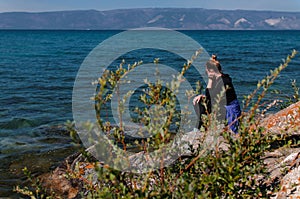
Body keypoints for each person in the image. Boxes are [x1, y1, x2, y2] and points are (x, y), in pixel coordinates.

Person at [193, 55, 241, 134]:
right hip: (222, 105)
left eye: (207, 72)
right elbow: (211, 95)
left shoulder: (224, 81)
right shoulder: (218, 78)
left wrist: (210, 80)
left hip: (230, 109)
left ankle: (199, 127)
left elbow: (211, 97)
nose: (206, 74)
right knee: (199, 102)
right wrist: (201, 96)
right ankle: (201, 125)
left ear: (212, 71)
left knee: (203, 104)